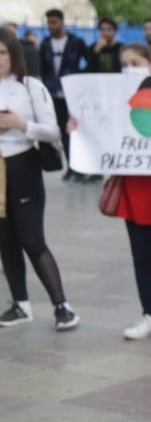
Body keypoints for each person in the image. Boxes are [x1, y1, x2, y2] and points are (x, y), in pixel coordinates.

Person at [70, 44, 151, 340]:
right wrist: (78, 127)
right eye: (124, 63)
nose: (129, 67)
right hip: (134, 188)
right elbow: (98, 129)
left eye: (135, 61)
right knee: (141, 256)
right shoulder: (116, 102)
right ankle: (150, 314)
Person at [0, 28, 80, 331]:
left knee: (31, 239)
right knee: (4, 240)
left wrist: (19, 124)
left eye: (2, 53)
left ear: (13, 54)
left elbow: (53, 131)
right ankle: (20, 304)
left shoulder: (29, 86)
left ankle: (62, 305)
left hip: (23, 166)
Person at [39, 8, 87, 181]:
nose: (51, 26)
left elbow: (88, 62)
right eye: (49, 22)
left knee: (78, 128)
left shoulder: (76, 42)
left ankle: (83, 166)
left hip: (73, 93)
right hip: (54, 93)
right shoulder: (45, 44)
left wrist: (78, 78)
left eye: (54, 22)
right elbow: (43, 68)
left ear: (62, 22)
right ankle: (71, 166)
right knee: (62, 130)